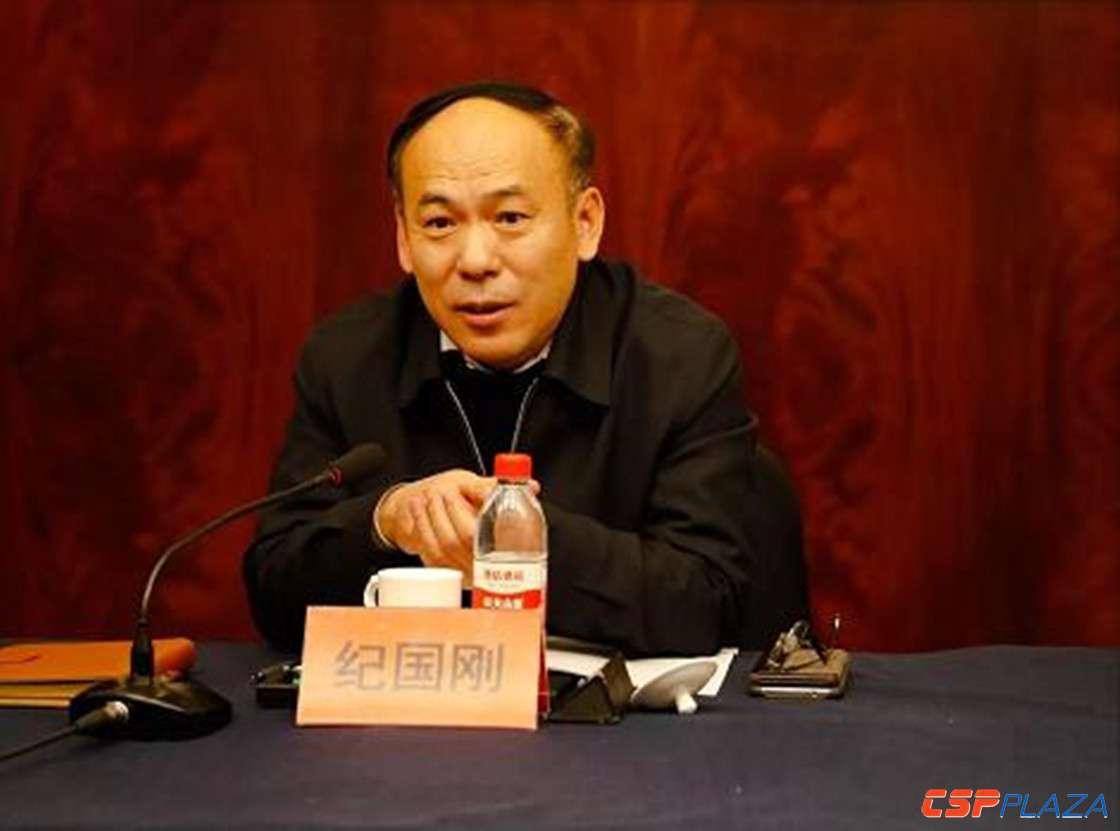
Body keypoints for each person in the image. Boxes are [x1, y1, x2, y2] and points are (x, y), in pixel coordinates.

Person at [243, 81, 768, 657]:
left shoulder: (678, 357)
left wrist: (517, 541)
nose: (475, 261)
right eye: (439, 224)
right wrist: (384, 522)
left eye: (511, 217)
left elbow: (708, 601)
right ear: (403, 237)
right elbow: (274, 592)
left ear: (585, 222)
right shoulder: (347, 358)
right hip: (410, 706)